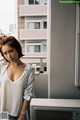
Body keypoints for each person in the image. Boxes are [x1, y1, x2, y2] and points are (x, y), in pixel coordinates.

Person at [0, 36, 35, 120]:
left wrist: (22, 114)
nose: (9, 56)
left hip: (18, 114)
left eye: (11, 51)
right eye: (5, 53)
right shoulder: (2, 66)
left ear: (17, 49)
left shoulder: (28, 69)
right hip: (3, 112)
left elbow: (28, 94)